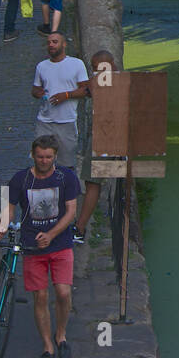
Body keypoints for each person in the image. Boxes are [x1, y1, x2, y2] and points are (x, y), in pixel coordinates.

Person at [0, 136, 79, 358]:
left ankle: (61, 334)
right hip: (32, 246)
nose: (44, 161)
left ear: (55, 156)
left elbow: (70, 212)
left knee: (63, 292)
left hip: (60, 243)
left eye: (48, 157)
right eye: (40, 156)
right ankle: (47, 346)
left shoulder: (66, 177)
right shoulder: (20, 179)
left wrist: (51, 235)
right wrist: (1, 225)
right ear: (33, 155)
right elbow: (10, 209)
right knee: (40, 296)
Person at [73, 50, 117, 244]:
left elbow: (86, 87)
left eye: (95, 67)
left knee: (92, 184)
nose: (93, 71)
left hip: (102, 138)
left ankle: (80, 228)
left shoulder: (98, 82)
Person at [31, 32, 90, 164]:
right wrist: (37, 93)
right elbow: (35, 89)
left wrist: (67, 95)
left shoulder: (77, 64)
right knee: (42, 162)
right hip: (44, 122)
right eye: (49, 42)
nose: (51, 45)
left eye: (55, 42)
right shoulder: (41, 66)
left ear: (64, 44)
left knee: (66, 164)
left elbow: (85, 90)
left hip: (66, 122)